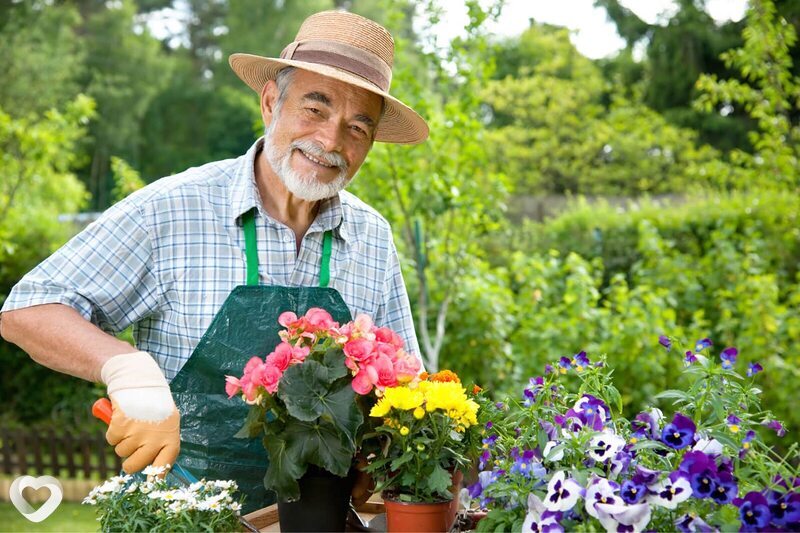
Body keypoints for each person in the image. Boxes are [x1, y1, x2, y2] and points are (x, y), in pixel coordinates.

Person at [0, 10, 427, 513]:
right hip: (177, 516)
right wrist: (125, 368)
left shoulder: (371, 236)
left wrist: (380, 450)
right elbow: (28, 308)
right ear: (271, 101)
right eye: (315, 109)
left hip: (316, 520)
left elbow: (407, 383)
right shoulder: (172, 209)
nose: (331, 141)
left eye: (358, 127)